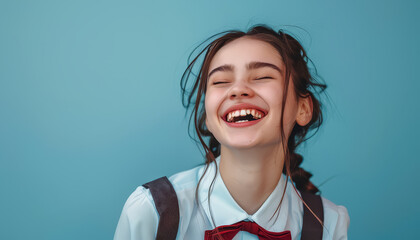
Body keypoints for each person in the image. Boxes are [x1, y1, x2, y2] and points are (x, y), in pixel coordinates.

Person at [113, 25, 350, 240]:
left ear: (303, 108)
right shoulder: (150, 211)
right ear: (208, 113)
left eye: (262, 77)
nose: (237, 90)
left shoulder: (329, 224)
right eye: (220, 82)